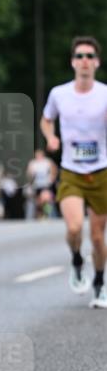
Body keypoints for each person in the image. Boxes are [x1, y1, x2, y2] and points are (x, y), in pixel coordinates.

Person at [40, 35, 107, 308]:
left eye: (89, 56)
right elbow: (46, 119)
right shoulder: (59, 93)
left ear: (97, 63)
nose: (84, 61)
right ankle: (77, 261)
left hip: (101, 170)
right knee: (75, 227)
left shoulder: (104, 93)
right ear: (72, 62)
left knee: (97, 236)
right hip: (70, 171)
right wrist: (51, 137)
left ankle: (100, 284)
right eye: (79, 56)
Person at [26, 149, 58, 219]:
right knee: (37, 201)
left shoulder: (47, 161)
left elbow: (54, 170)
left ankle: (50, 215)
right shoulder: (33, 163)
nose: (38, 156)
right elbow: (29, 174)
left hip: (46, 185)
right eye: (37, 155)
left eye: (40, 154)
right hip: (36, 185)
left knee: (47, 199)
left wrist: (52, 178)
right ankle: (37, 216)